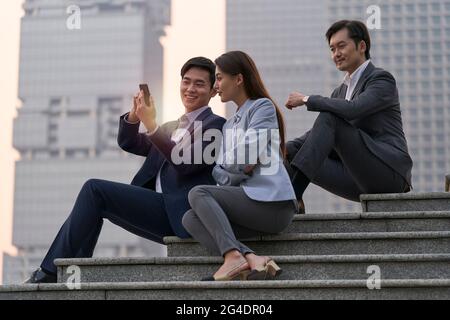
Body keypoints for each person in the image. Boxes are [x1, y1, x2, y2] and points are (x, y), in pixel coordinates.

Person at [25, 57, 226, 283]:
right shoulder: (170, 128)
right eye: (186, 81)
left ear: (212, 91)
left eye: (199, 84)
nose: (190, 88)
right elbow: (129, 142)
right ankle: (70, 271)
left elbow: (185, 164)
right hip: (156, 207)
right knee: (95, 199)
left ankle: (49, 273)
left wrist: (151, 126)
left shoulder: (216, 126)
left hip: (183, 213)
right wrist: (136, 114)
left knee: (94, 189)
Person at [182, 51, 298, 281]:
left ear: (238, 79)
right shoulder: (229, 125)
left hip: (273, 204)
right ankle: (250, 258)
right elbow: (229, 173)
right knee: (190, 219)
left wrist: (234, 165)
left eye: (219, 78)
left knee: (198, 192)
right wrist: (237, 166)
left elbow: (244, 158)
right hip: (250, 202)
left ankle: (234, 258)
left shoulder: (262, 107)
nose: (216, 85)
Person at [284, 20, 413, 214]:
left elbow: (354, 109)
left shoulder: (381, 79)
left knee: (330, 118)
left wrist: (306, 99)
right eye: (332, 49)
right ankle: (294, 205)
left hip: (389, 173)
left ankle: (293, 194)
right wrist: (278, 149)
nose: (336, 54)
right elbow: (315, 137)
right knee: (290, 150)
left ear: (362, 46)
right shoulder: (340, 92)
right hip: (357, 178)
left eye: (341, 46)